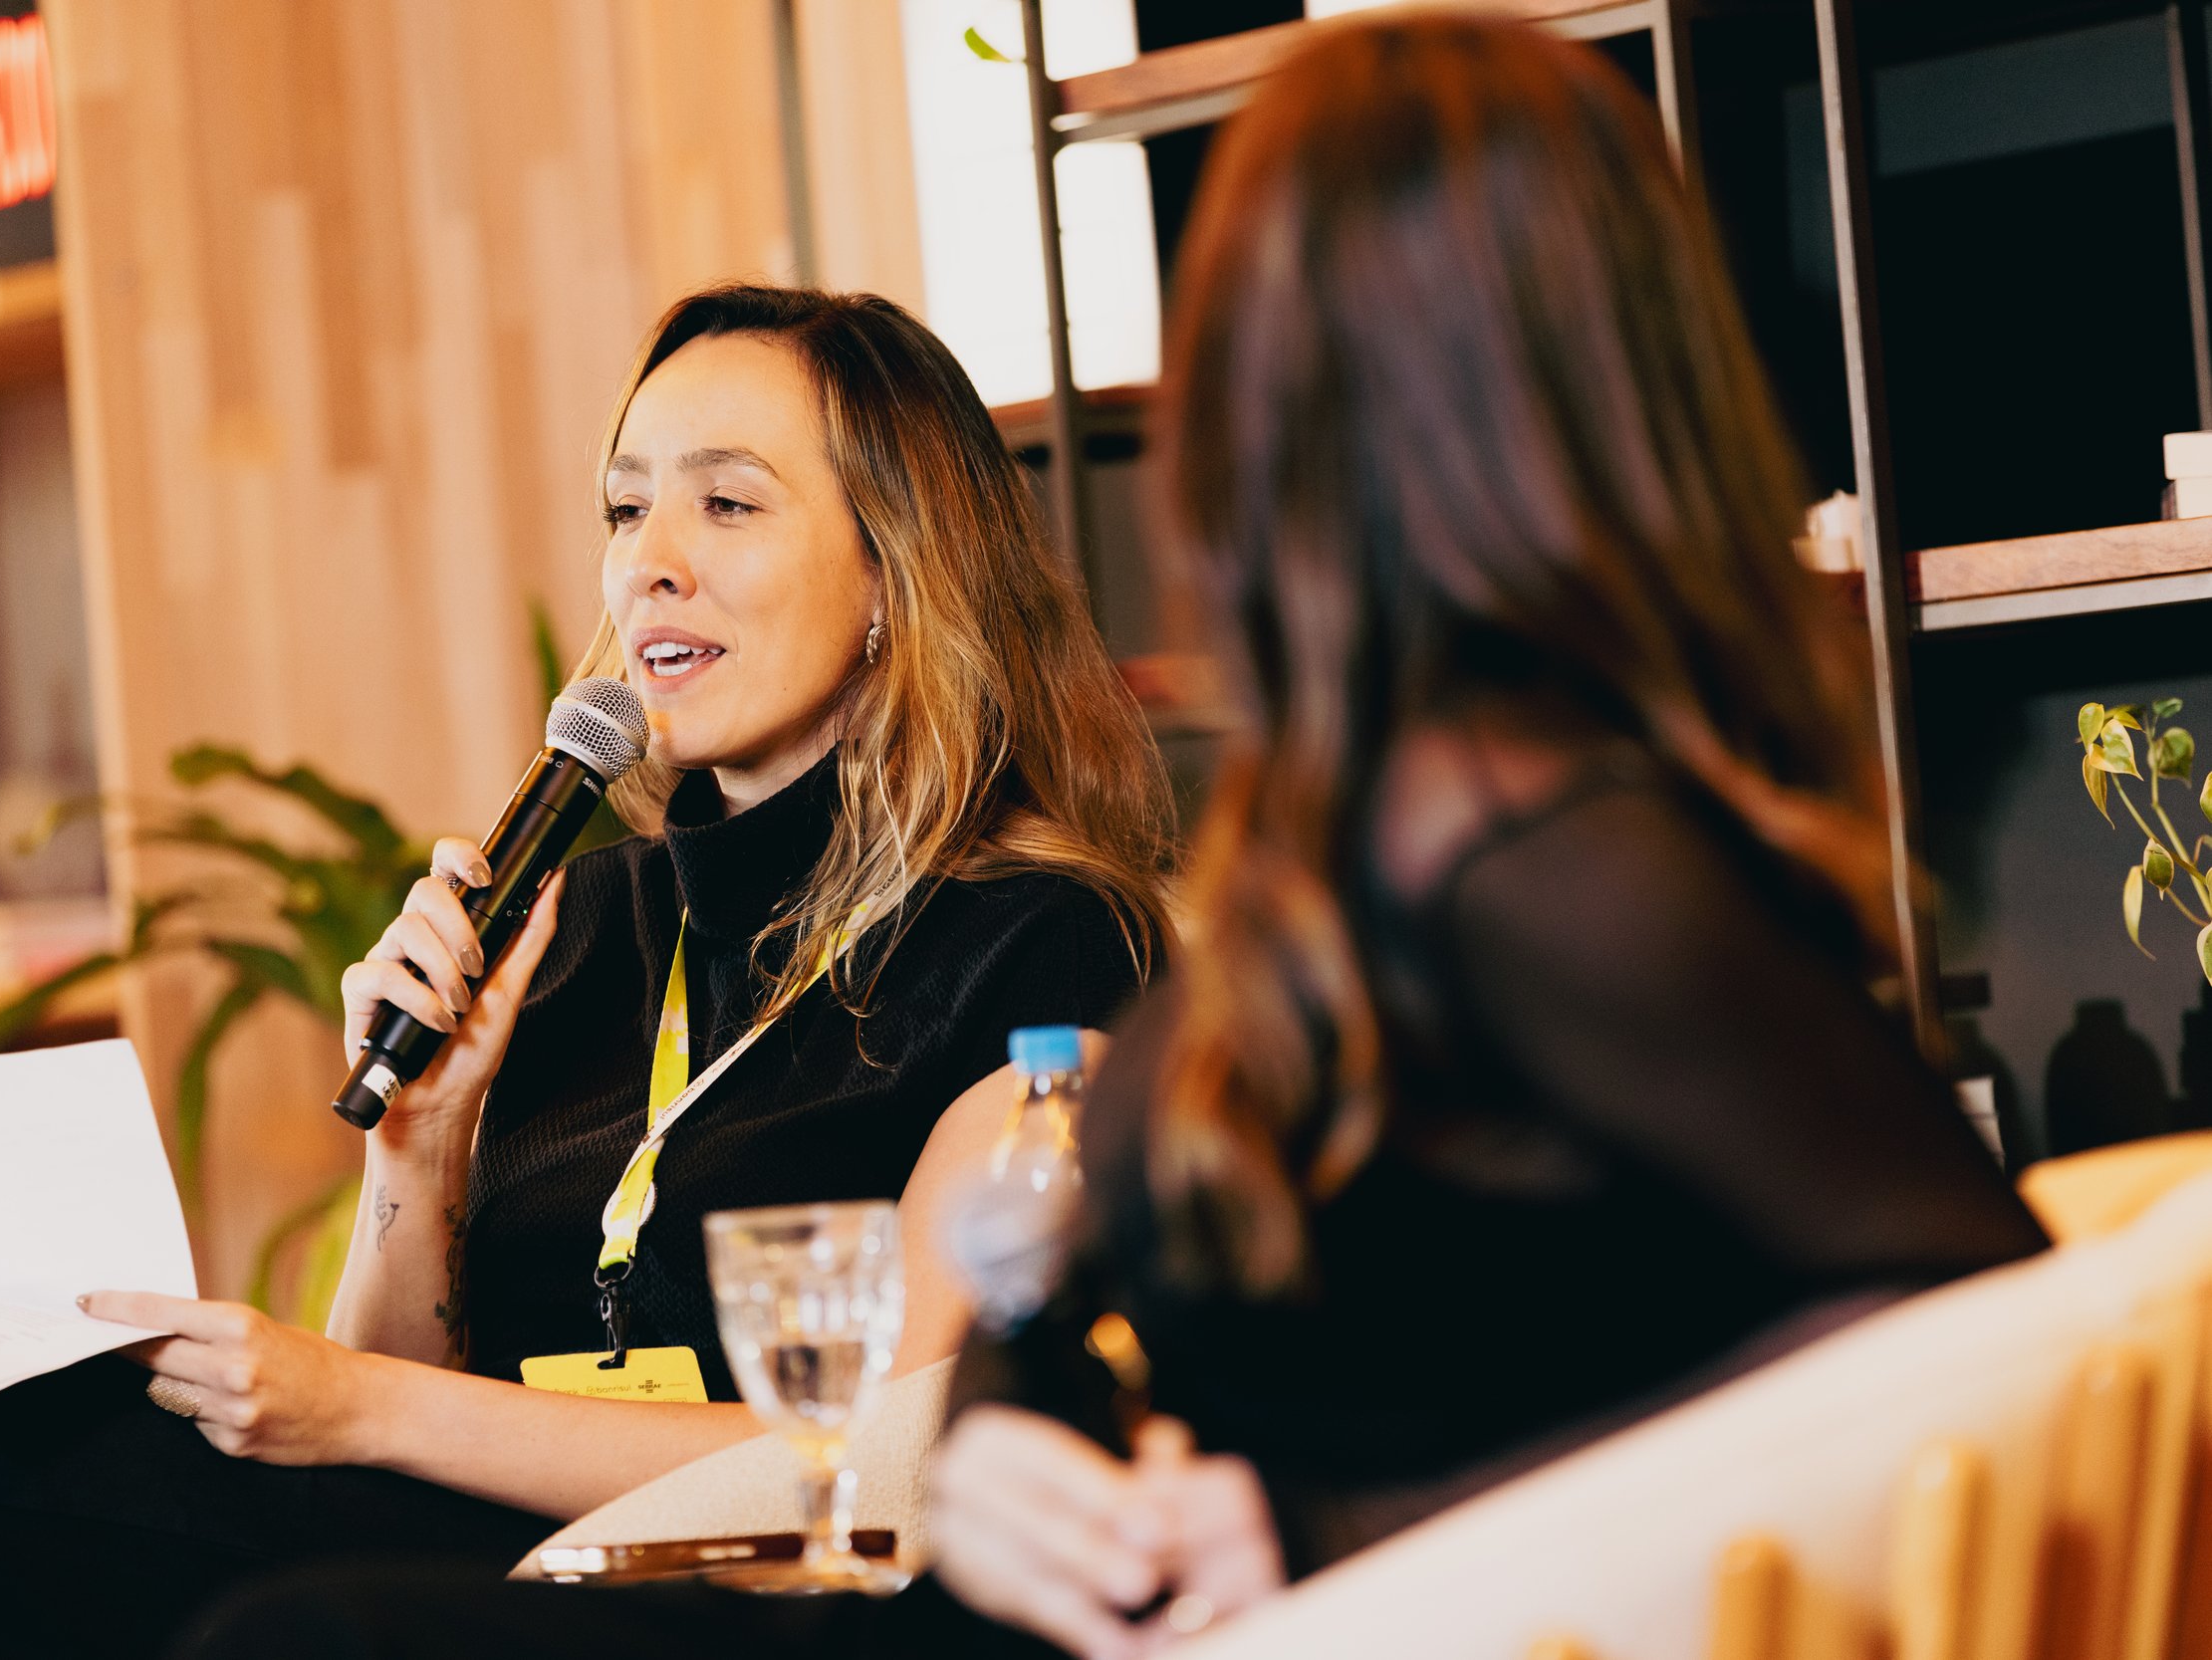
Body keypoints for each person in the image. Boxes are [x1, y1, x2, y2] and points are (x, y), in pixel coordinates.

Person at [166, 14, 2048, 1660]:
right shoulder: (1369, 853)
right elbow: (1030, 1382)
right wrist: (1034, 1461)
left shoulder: (1526, 858)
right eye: (627, 507)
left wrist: (1319, 1526)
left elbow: (1982, 1336)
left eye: (1250, 364)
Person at [0, 285, 1173, 1659]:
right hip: (455, 1543)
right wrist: (419, 1148)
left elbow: (889, 1459)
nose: (649, 561)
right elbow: (385, 1386)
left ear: (894, 573)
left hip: (735, 1598)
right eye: (626, 509)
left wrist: (363, 1409)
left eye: (727, 503)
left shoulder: (1041, 943)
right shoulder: (583, 915)